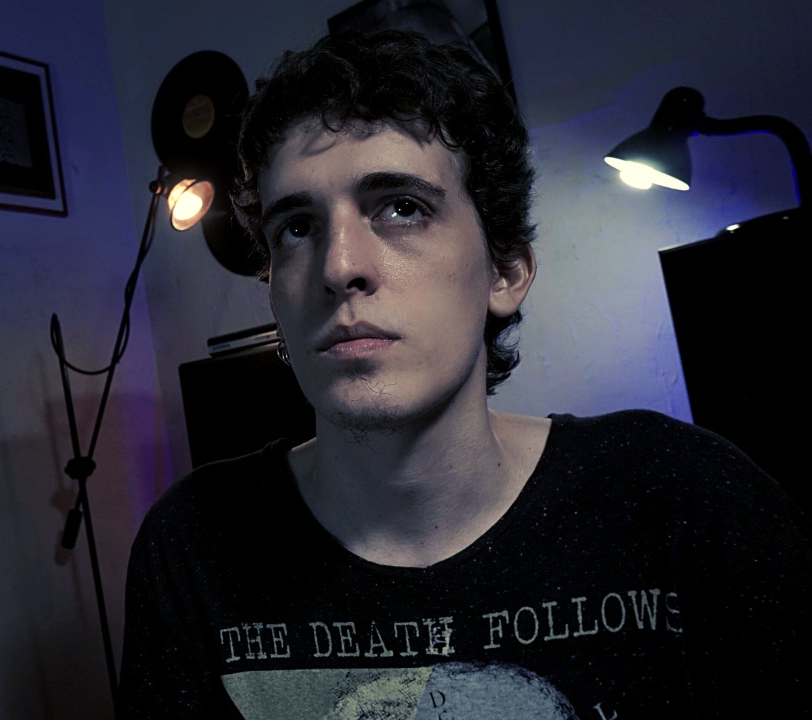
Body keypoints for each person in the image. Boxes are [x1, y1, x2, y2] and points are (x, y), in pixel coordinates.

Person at [118, 28, 810, 719]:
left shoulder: (683, 501)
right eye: (296, 227)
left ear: (505, 271)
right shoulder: (194, 546)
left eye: (401, 207)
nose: (338, 266)